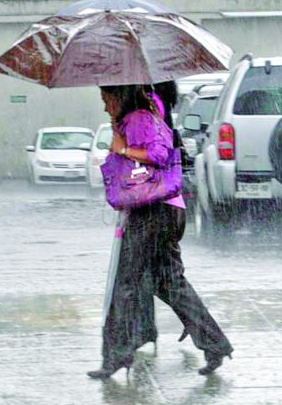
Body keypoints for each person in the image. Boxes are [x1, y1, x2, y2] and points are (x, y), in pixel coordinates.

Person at [88, 84, 233, 379]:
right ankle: (215, 343)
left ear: (119, 96)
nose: (104, 107)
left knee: (125, 283)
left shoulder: (141, 117)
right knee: (168, 283)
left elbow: (159, 154)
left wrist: (123, 148)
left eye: (106, 100)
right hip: (165, 210)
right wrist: (118, 134)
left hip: (153, 212)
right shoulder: (135, 117)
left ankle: (116, 355)